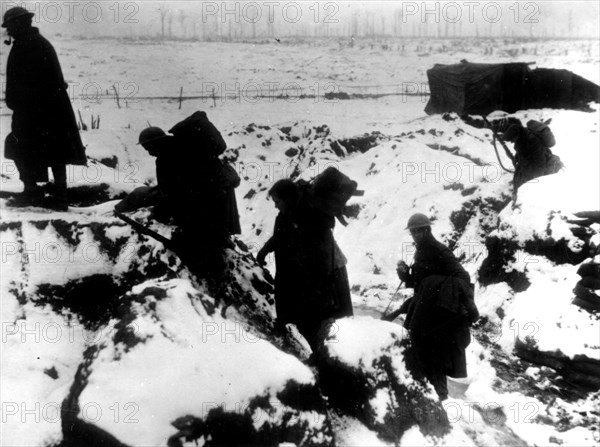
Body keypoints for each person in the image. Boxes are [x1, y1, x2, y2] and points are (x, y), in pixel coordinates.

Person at [3, 7, 86, 210]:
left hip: (40, 112)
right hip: (41, 111)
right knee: (49, 149)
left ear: (21, 24)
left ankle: (43, 194)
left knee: (45, 149)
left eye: (11, 26)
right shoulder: (30, 43)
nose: (8, 31)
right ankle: (53, 194)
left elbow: (41, 83)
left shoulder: (32, 45)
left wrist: (22, 104)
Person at [135, 122, 241, 279]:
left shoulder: (165, 159)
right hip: (214, 194)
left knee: (200, 237)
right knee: (212, 234)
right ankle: (216, 268)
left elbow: (171, 191)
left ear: (155, 142)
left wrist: (160, 212)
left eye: (148, 148)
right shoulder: (185, 145)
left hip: (200, 200)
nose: (149, 153)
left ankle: (210, 274)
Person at [257, 179, 353, 350]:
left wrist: (319, 289)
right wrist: (265, 250)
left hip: (329, 274)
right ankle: (319, 355)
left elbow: (319, 256)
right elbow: (281, 235)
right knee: (309, 321)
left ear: (287, 199)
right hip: (309, 278)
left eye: (277, 202)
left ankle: (332, 360)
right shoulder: (289, 214)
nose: (275, 206)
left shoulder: (308, 216)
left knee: (330, 323)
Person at [396, 213, 479, 400]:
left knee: (434, 354)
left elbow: (462, 278)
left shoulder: (440, 250)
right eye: (413, 232)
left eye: (419, 231)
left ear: (427, 230)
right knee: (419, 348)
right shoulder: (421, 251)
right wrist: (405, 276)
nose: (415, 235)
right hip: (423, 310)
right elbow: (419, 281)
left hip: (437, 316)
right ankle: (425, 392)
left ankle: (440, 397)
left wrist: (435, 284)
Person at [502, 121, 562, 191]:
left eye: (512, 139)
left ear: (516, 135)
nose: (512, 142)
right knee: (520, 181)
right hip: (528, 163)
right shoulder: (522, 137)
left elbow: (540, 159)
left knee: (528, 184)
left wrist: (539, 177)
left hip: (535, 165)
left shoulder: (531, 140)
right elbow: (521, 151)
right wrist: (516, 158)